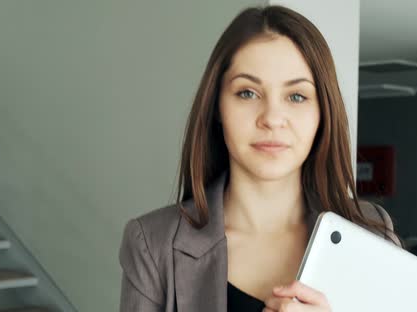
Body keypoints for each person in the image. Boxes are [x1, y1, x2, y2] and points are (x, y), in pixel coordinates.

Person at [119, 5, 401, 312]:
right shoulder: (153, 243)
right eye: (247, 93)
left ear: (323, 113)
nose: (272, 118)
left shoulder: (371, 231)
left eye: (296, 96)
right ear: (216, 106)